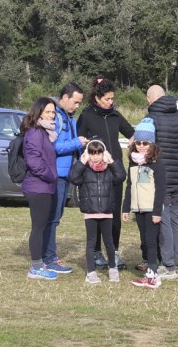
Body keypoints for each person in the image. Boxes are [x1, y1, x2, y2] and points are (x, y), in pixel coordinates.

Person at [75, 75, 134, 269]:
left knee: (113, 214)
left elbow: (132, 134)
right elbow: (80, 142)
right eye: (107, 99)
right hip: (93, 176)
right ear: (97, 98)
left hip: (114, 173)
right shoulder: (86, 116)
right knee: (95, 214)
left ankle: (113, 252)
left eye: (112, 98)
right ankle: (96, 253)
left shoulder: (116, 115)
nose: (111, 102)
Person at [145, 83, 178, 280]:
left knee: (163, 219)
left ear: (150, 99)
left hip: (160, 178)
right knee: (177, 219)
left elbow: (145, 152)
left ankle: (169, 265)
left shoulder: (151, 120)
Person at [42, 82, 86, 274]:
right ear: (65, 98)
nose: (77, 106)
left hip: (65, 175)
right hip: (56, 176)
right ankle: (48, 258)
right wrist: (76, 142)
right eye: (75, 102)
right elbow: (54, 147)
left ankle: (48, 256)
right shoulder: (58, 118)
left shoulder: (70, 118)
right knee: (52, 219)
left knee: (55, 217)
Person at [67, 139, 126, 284]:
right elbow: (73, 177)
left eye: (98, 153)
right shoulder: (85, 169)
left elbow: (121, 176)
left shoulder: (109, 170)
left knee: (109, 242)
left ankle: (113, 268)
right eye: (92, 153)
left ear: (103, 153)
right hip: (91, 211)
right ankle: (91, 272)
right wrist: (81, 163)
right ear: (88, 154)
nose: (95, 157)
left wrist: (111, 161)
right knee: (91, 242)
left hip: (106, 211)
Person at [122, 119, 166, 289]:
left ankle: (153, 275)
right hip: (138, 209)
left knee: (151, 241)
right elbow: (129, 186)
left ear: (152, 144)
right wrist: (126, 208)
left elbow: (161, 189)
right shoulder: (133, 163)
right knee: (145, 240)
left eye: (145, 143)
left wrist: (157, 212)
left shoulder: (157, 164)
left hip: (151, 209)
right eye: (138, 143)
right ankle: (150, 271)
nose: (141, 146)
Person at [21, 97, 59, 280]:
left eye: (53, 112)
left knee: (42, 226)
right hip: (38, 187)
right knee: (38, 227)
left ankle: (39, 263)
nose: (52, 115)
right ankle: (35, 267)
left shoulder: (45, 132)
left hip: (45, 186)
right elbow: (34, 162)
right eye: (48, 112)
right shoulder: (36, 133)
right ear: (39, 113)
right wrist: (51, 176)